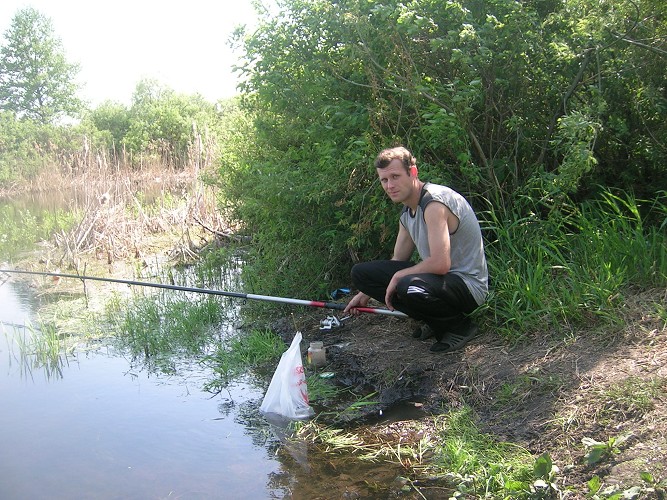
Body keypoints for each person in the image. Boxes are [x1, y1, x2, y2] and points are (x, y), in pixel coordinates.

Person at [344, 146, 488, 353]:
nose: (390, 185)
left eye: (395, 176)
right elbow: (397, 261)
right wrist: (365, 291)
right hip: (441, 284)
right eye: (384, 180)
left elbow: (440, 263)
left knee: (406, 284)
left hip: (468, 286)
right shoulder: (407, 212)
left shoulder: (434, 203)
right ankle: (435, 319)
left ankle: (459, 327)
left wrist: (399, 276)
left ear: (413, 172)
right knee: (361, 274)